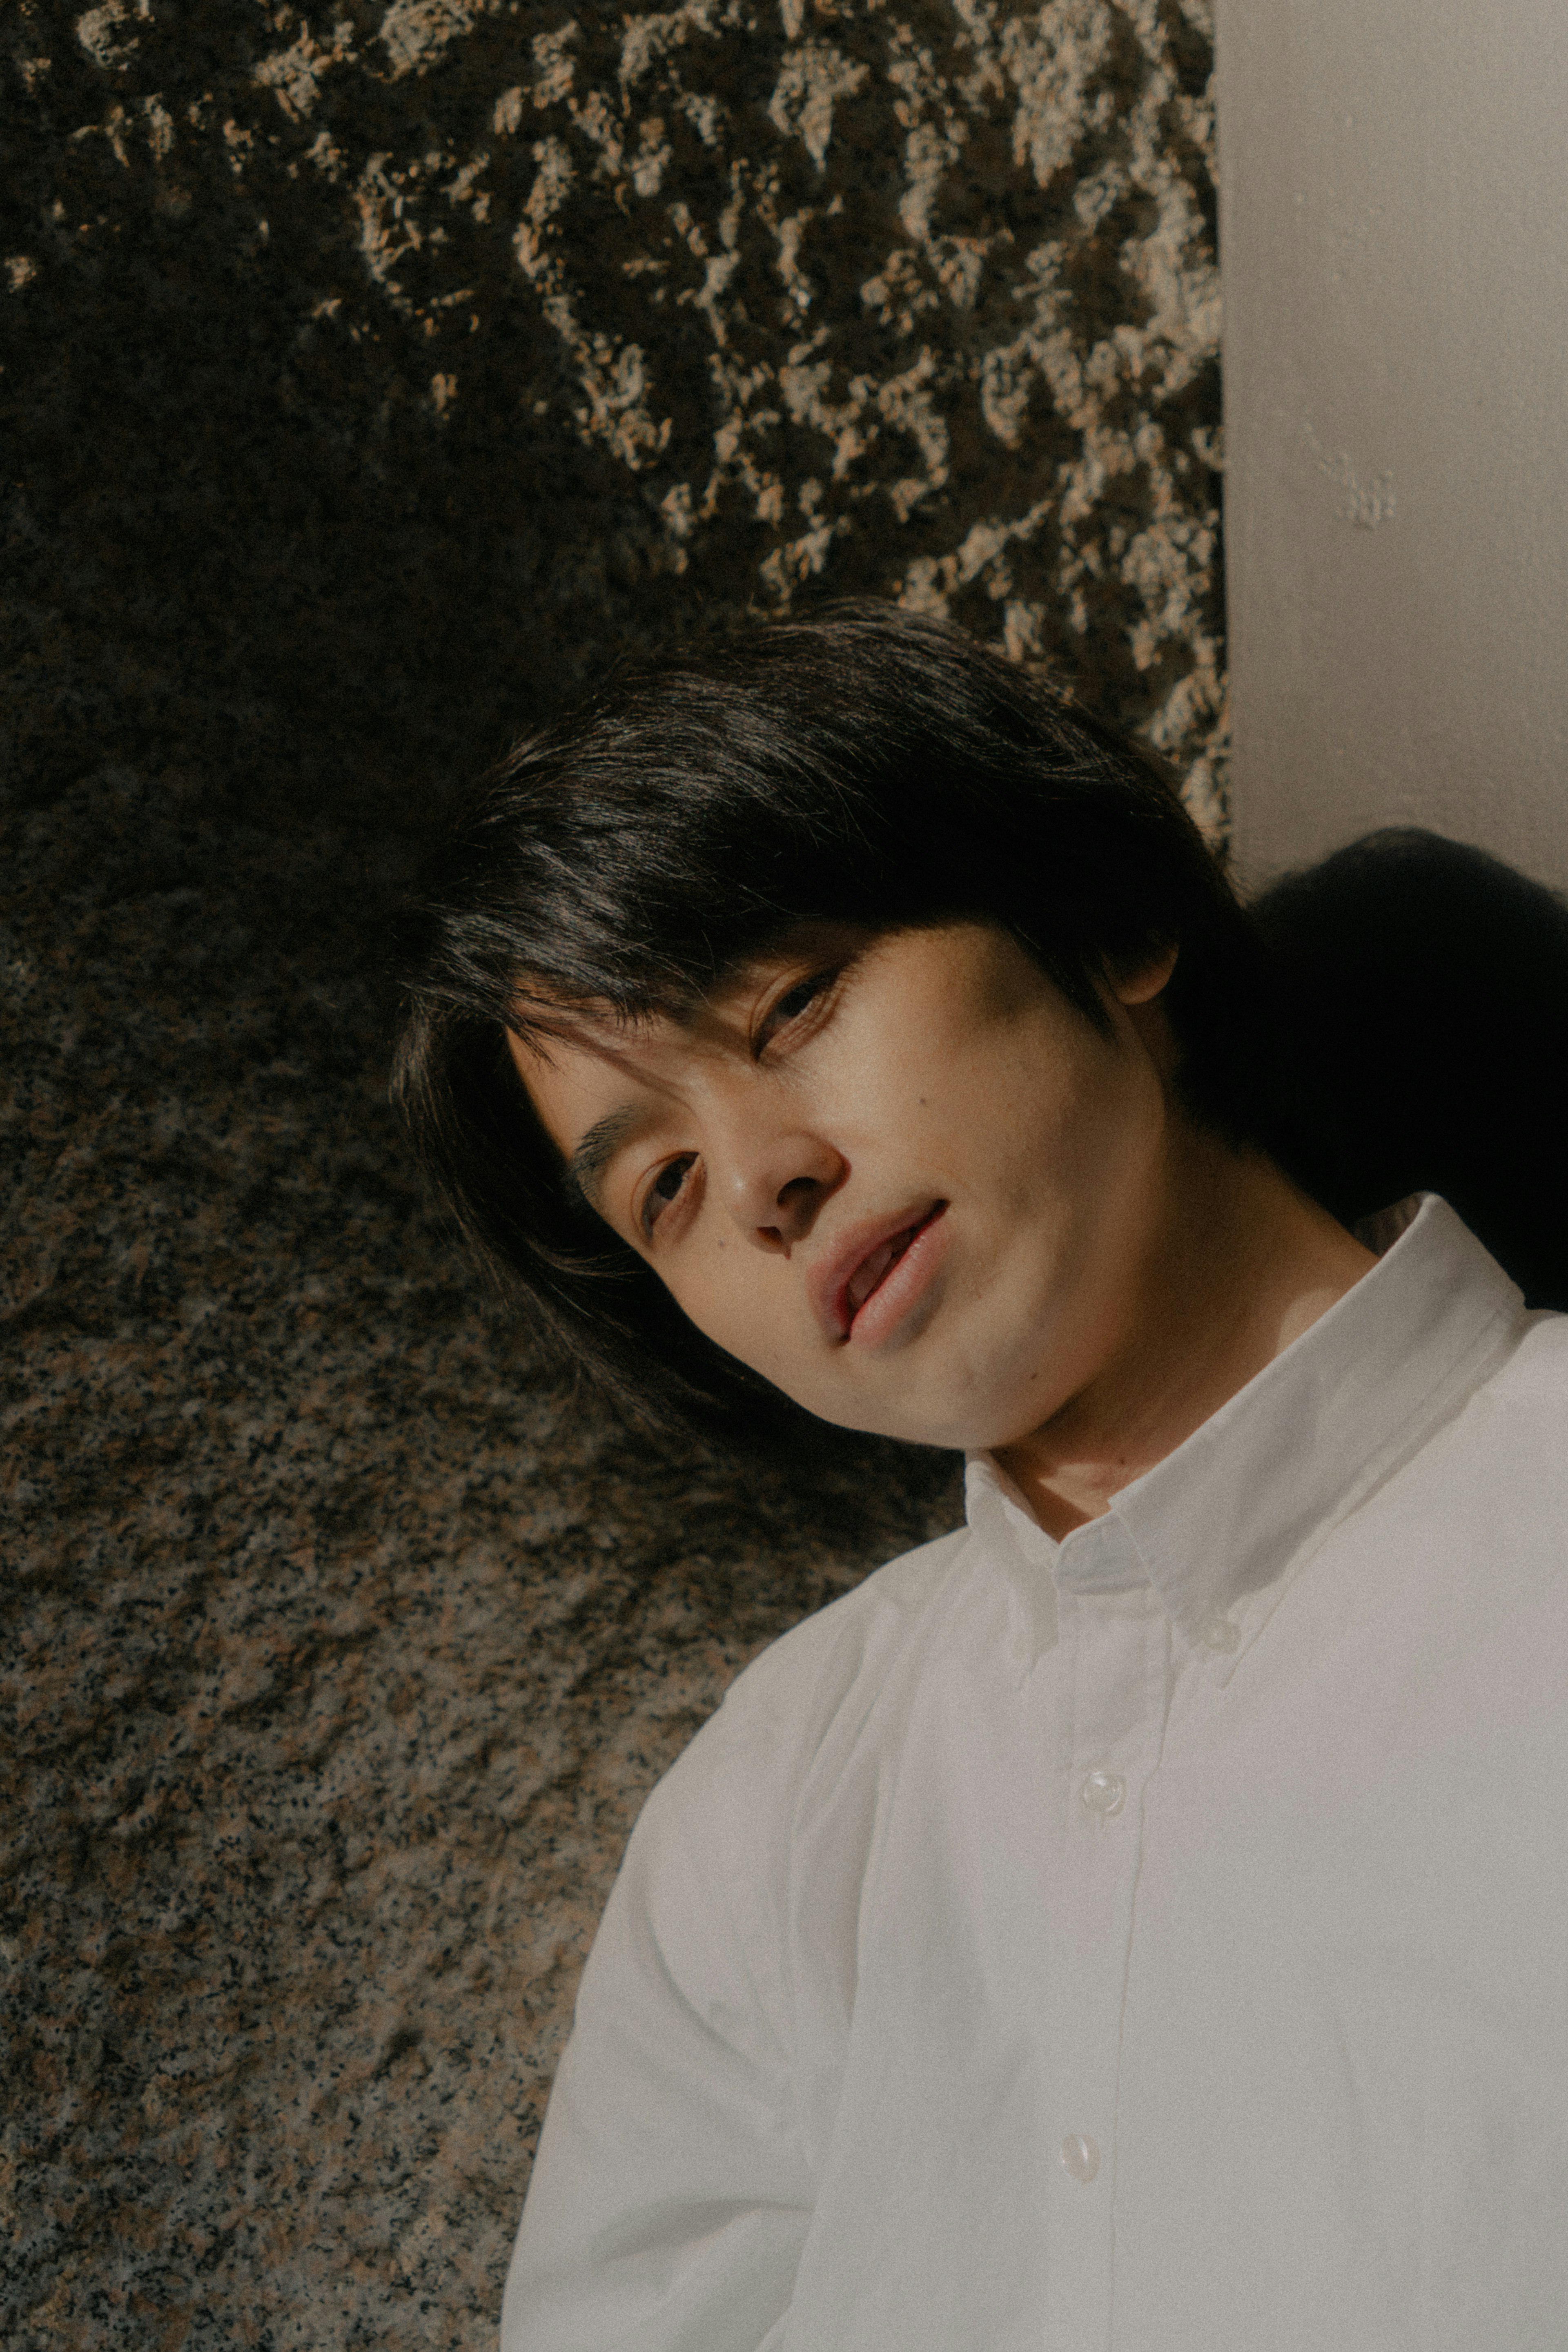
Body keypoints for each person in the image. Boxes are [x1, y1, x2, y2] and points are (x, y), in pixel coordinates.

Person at [394, 605, 1568, 2352]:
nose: (762, 1184)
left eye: (792, 1006)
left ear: (1108, 919)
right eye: (658, 1192)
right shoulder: (770, 1813)